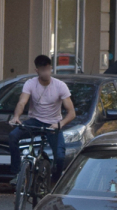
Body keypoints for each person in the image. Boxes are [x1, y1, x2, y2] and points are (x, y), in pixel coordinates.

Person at [8, 55, 76, 183]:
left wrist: (59, 124)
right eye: (43, 69)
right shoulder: (30, 84)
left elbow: (71, 113)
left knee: (60, 157)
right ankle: (17, 173)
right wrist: (16, 117)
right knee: (13, 135)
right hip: (35, 121)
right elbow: (22, 102)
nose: (46, 72)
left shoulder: (60, 86)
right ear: (37, 71)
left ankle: (55, 182)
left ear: (51, 68)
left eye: (48, 69)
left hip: (53, 124)